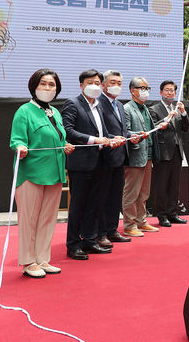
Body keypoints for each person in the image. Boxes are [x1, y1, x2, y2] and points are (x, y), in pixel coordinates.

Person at [9, 69, 74, 278]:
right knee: (29, 220)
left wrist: (65, 145)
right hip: (31, 174)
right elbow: (17, 139)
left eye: (51, 84)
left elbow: (58, 138)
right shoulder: (24, 111)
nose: (47, 88)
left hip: (54, 174)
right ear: (34, 86)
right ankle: (28, 262)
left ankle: (42, 259)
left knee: (48, 218)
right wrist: (20, 147)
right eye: (43, 84)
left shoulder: (55, 112)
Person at [62, 69, 123, 260]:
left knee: (94, 204)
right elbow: (68, 131)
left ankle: (89, 240)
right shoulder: (73, 103)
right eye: (90, 82)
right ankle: (73, 244)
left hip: (100, 162)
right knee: (78, 206)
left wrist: (113, 138)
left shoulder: (98, 106)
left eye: (97, 83)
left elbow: (102, 132)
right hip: (81, 164)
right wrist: (94, 140)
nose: (94, 86)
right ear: (81, 85)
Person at [123, 77, 167, 237]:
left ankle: (141, 221)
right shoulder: (127, 108)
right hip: (135, 156)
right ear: (132, 90)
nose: (146, 91)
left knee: (143, 193)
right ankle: (129, 225)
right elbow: (125, 131)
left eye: (147, 88)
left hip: (147, 156)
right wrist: (137, 135)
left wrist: (160, 125)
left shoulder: (145, 108)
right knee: (131, 193)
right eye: (142, 88)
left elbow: (149, 128)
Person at [97, 70, 136, 245]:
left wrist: (132, 135)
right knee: (103, 197)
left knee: (115, 197)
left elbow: (123, 131)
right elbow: (99, 130)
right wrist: (112, 139)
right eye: (113, 82)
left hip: (120, 157)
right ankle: (101, 233)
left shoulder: (119, 105)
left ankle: (112, 230)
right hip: (104, 158)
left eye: (119, 83)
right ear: (103, 85)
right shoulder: (98, 103)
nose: (117, 86)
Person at [150, 80, 189, 227]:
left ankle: (172, 213)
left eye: (172, 90)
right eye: (167, 90)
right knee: (161, 186)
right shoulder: (153, 109)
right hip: (162, 152)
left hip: (177, 152)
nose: (170, 93)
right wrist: (167, 118)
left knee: (174, 185)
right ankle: (161, 215)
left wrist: (183, 113)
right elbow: (153, 128)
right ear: (161, 92)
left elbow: (186, 128)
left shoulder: (177, 108)